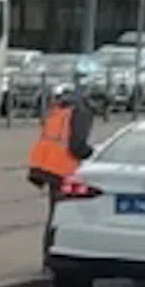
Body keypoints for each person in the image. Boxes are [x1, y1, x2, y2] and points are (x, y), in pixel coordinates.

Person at [27, 82, 96, 237]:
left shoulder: (60, 108)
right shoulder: (81, 112)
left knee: (55, 212)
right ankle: (57, 245)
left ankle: (51, 245)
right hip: (63, 168)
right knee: (64, 214)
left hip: (45, 165)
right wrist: (91, 154)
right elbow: (76, 146)